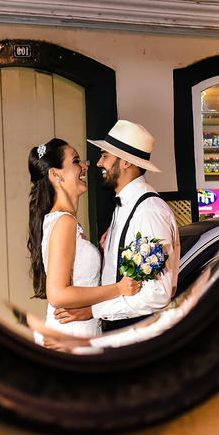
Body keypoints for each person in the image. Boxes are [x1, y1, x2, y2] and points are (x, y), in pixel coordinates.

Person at [51, 120, 180, 332]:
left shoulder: (148, 211)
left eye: (105, 156)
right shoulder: (125, 205)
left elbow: (157, 294)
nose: (99, 163)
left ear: (126, 162)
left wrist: (93, 311)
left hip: (137, 331)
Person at [26, 138, 140, 344]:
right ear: (55, 174)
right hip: (71, 336)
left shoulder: (63, 220)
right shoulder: (64, 221)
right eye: (75, 161)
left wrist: (103, 253)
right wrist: (119, 288)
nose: (84, 167)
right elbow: (57, 294)